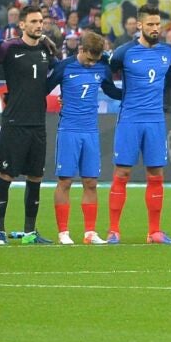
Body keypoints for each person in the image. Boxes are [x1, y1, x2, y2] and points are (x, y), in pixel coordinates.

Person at [106, 4, 171, 245]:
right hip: (130, 119)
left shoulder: (167, 52)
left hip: (155, 120)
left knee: (156, 174)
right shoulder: (123, 52)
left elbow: (170, 78)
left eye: (158, 24)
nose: (155, 28)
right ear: (139, 25)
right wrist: (121, 96)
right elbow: (105, 76)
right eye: (150, 24)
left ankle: (154, 232)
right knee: (122, 172)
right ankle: (114, 230)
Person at [48, 30, 119, 245]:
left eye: (95, 60)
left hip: (91, 131)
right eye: (89, 59)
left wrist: (137, 93)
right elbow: (44, 88)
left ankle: (90, 232)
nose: (91, 64)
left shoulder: (102, 67)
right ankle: (63, 232)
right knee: (65, 181)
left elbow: (113, 92)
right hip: (69, 130)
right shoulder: (65, 67)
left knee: (91, 182)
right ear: (81, 49)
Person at [0, 4, 63, 244]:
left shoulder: (47, 51)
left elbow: (59, 74)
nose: (38, 25)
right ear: (22, 25)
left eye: (40, 22)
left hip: (38, 123)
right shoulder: (9, 48)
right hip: (14, 123)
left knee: (36, 177)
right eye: (33, 22)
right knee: (5, 175)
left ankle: (29, 233)